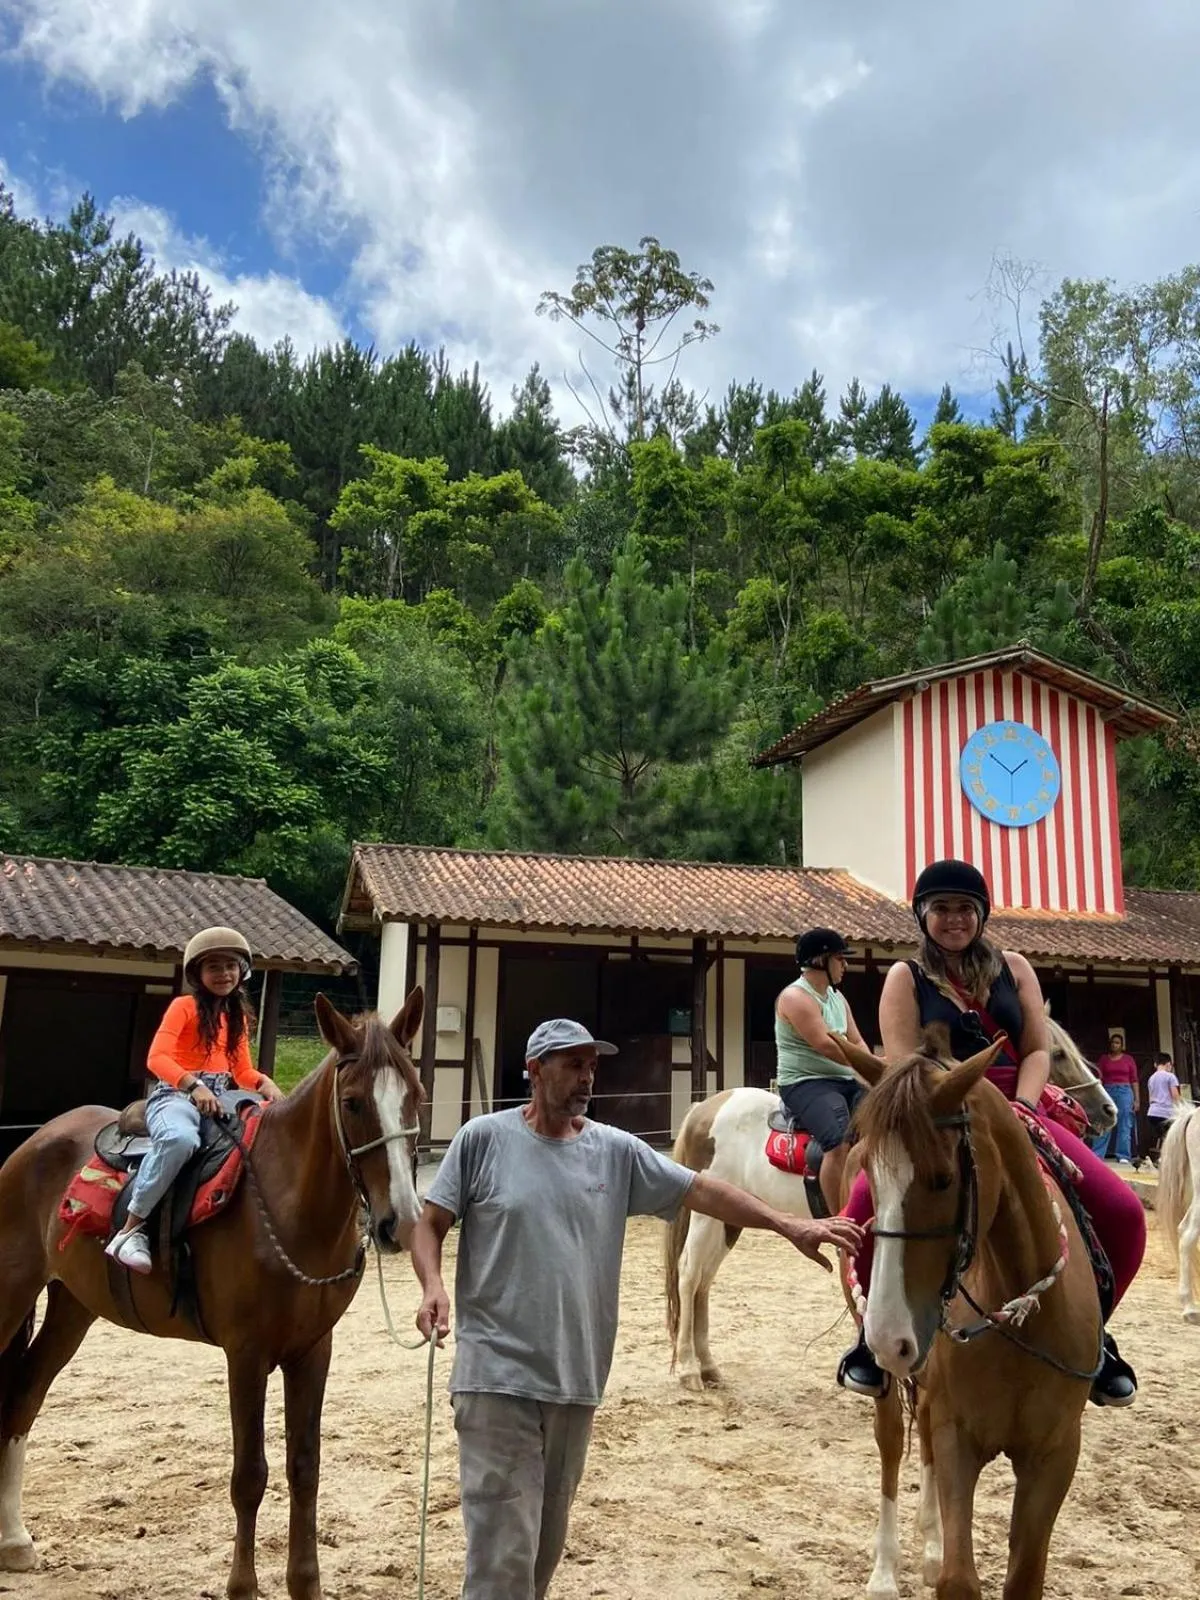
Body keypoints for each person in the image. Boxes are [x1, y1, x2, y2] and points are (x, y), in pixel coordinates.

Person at [411, 1017, 864, 1600]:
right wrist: (431, 1284)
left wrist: (787, 1222)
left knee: (542, 1553)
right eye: (573, 1064)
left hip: (576, 1381)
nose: (587, 1077)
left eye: (591, 1065)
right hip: (495, 1379)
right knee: (503, 1559)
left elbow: (701, 1189)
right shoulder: (482, 1140)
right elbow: (430, 1223)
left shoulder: (614, 1151)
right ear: (534, 1070)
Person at [835, 859, 1146, 1408]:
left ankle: (1095, 1336)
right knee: (861, 1208)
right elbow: (906, 1070)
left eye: (964, 909)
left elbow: (1036, 1050)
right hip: (938, 1116)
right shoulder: (905, 978)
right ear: (922, 916)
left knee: (1121, 1212)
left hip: (1019, 1108)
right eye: (941, 909)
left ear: (980, 915)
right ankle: (870, 1339)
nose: (953, 919)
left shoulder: (1016, 967)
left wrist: (1024, 1106)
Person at [104, 926, 284, 1274]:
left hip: (219, 1097)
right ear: (198, 974)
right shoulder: (182, 1007)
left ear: (242, 971)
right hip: (175, 1095)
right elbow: (156, 1058)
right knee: (179, 1139)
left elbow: (241, 1070)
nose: (224, 974)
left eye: (230, 966)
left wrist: (264, 1083)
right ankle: (131, 1228)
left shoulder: (237, 1018)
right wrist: (193, 1086)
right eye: (214, 967)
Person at [776, 928, 871, 1216]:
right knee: (837, 1141)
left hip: (845, 1079)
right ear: (820, 961)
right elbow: (825, 1045)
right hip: (806, 1083)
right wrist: (872, 1064)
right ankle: (843, 1217)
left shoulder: (837, 998)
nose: (845, 965)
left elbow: (856, 1041)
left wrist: (877, 1071)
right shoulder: (795, 998)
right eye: (840, 959)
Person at [1092, 1029, 1139, 1165]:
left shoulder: (1128, 1059)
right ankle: (1098, 1153)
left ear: (1122, 1045)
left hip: (1125, 1090)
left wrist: (1137, 1099)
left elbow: (1134, 1080)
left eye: (1118, 1043)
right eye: (1113, 1043)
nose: (1115, 1045)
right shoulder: (1104, 1059)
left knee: (1125, 1123)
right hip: (1107, 1090)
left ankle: (1123, 1154)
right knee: (1104, 1121)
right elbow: (1099, 1077)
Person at [1144, 1052, 1182, 1166]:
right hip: (1166, 1112)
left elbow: (1151, 1098)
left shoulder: (1151, 1078)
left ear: (1156, 1064)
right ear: (1169, 1064)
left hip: (1152, 1113)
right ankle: (1167, 1160)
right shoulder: (1170, 1076)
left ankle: (1162, 1159)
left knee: (1163, 1137)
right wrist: (1182, 1107)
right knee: (1172, 1137)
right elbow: (1175, 1096)